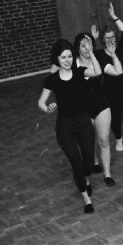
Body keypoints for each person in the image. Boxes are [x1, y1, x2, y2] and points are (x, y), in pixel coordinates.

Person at [50, 33, 123, 187]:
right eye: (83, 46)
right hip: (82, 109)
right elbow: (54, 73)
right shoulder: (72, 65)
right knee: (87, 143)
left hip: (101, 105)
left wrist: (113, 54)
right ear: (77, 48)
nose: (86, 48)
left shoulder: (98, 60)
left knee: (104, 140)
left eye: (89, 45)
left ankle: (107, 174)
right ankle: (93, 163)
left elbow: (118, 71)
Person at [38, 39, 99, 213]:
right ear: (57, 59)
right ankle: (86, 199)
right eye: (63, 57)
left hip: (83, 122)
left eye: (70, 56)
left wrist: (90, 52)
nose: (67, 60)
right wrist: (47, 109)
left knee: (88, 163)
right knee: (77, 163)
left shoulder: (80, 72)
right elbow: (41, 102)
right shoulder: (52, 79)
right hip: (65, 127)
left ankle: (85, 179)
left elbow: (98, 71)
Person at [93, 2, 123, 163]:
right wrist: (93, 39)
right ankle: (118, 138)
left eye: (113, 37)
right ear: (103, 40)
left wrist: (114, 16)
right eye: (107, 38)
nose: (110, 40)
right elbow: (111, 69)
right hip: (110, 93)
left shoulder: (122, 49)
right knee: (115, 119)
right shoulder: (100, 55)